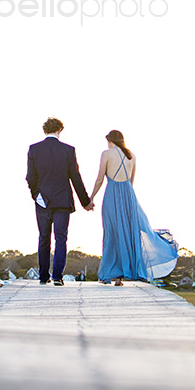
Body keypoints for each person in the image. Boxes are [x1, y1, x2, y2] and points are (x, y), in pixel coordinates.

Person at [89, 129, 179, 285]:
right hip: (129, 196)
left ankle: (110, 274)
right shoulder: (132, 156)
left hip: (112, 194)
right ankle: (122, 274)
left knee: (112, 233)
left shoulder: (106, 154)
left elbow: (99, 179)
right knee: (128, 233)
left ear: (110, 141)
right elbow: (131, 181)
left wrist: (91, 198)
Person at [26, 117, 94, 286]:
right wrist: (85, 202)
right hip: (63, 201)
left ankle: (43, 276)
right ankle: (57, 276)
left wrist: (37, 195)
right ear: (59, 131)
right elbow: (76, 178)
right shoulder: (68, 150)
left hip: (42, 201)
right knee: (61, 238)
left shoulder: (34, 149)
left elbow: (30, 177)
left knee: (43, 238)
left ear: (44, 130)